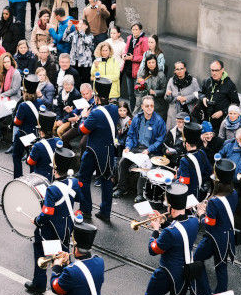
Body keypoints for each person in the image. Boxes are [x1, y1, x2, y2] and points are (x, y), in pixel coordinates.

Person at [145, 182, 199, 295]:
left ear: (171, 207)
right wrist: (164, 222)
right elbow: (178, 226)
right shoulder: (193, 221)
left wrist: (155, 229)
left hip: (167, 271)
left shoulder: (169, 232)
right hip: (185, 270)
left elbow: (154, 249)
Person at [26, 144, 81, 294]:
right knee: (63, 254)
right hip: (66, 225)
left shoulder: (52, 189)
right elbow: (79, 198)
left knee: (40, 248)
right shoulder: (74, 182)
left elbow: (47, 213)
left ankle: (39, 284)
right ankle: (66, 284)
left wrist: (37, 221)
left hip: (51, 228)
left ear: (54, 169)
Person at [193, 157, 238, 295]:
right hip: (227, 236)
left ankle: (204, 294)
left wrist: (201, 213)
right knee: (221, 266)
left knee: (196, 259)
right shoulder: (234, 193)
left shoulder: (214, 202)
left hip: (213, 238)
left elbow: (208, 225)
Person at [79, 77, 118, 223]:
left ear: (96, 96)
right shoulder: (114, 108)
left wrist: (83, 117)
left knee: (83, 179)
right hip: (108, 150)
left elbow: (83, 129)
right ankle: (105, 212)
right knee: (106, 180)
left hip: (93, 150)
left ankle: (86, 209)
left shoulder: (95, 113)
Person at [114, 95, 166, 203]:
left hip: (150, 151)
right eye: (147, 106)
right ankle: (122, 188)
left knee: (144, 165)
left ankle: (140, 194)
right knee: (123, 162)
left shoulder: (159, 120)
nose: (149, 108)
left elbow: (160, 140)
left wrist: (149, 149)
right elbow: (131, 135)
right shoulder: (137, 118)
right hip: (137, 148)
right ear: (142, 106)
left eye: (151, 106)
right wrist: (128, 147)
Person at [197, 59, 240, 134]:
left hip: (220, 122)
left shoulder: (229, 84)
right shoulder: (207, 81)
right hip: (205, 118)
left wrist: (223, 112)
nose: (214, 73)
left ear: (222, 70)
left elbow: (236, 103)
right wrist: (203, 98)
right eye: (212, 70)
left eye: (216, 70)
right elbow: (200, 93)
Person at [177, 119, 212, 201]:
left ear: (187, 144)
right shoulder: (202, 153)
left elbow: (184, 183)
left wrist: (177, 177)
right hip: (201, 193)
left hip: (190, 196)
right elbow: (209, 171)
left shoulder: (184, 160)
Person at [11, 73, 41, 167]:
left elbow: (17, 122)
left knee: (16, 156)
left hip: (24, 133)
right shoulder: (40, 102)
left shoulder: (23, 105)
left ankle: (18, 177)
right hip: (36, 134)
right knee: (32, 159)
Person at [165, 60, 200, 130]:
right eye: (177, 69)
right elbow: (167, 99)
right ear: (174, 71)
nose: (179, 71)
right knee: (172, 133)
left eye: (181, 68)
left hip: (188, 112)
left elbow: (198, 95)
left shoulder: (193, 81)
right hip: (174, 114)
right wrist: (168, 95)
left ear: (185, 69)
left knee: (187, 133)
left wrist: (185, 98)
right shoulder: (171, 81)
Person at [27, 109, 60, 181]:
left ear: (41, 131)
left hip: (41, 178)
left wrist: (31, 149)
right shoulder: (58, 140)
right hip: (55, 177)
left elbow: (30, 162)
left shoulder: (38, 146)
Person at [57, 82, 94, 146]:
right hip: (78, 124)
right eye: (83, 94)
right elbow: (75, 113)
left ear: (91, 92)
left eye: (87, 94)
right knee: (64, 137)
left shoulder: (94, 102)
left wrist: (79, 118)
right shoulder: (82, 100)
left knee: (83, 144)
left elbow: (92, 119)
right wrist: (70, 111)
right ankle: (68, 153)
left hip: (88, 127)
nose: (85, 96)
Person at [122, 23, 148, 112]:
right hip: (128, 69)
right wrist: (124, 55)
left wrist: (132, 58)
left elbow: (145, 56)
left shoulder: (144, 40)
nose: (134, 31)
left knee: (138, 95)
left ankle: (138, 113)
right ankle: (132, 111)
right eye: (133, 29)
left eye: (136, 29)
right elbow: (125, 50)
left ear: (140, 30)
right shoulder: (129, 38)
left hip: (138, 71)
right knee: (130, 94)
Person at [133, 54, 167, 118]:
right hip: (142, 101)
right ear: (146, 64)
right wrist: (140, 86)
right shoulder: (142, 72)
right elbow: (136, 89)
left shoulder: (161, 74)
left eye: (153, 62)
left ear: (156, 63)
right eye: (149, 63)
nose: (151, 64)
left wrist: (155, 92)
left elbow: (164, 90)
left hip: (156, 103)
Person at [63, 19, 94, 85]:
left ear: (86, 26)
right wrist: (68, 28)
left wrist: (81, 32)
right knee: (75, 81)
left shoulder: (90, 35)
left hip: (85, 62)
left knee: (85, 81)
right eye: (78, 24)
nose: (79, 25)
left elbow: (88, 42)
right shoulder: (74, 34)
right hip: (74, 61)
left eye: (81, 24)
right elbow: (65, 39)